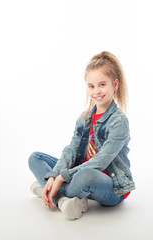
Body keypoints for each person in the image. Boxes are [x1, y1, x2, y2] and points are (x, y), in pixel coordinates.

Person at [28, 51, 135, 220]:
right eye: (91, 86)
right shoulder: (84, 118)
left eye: (102, 85)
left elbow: (100, 161)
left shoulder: (119, 122)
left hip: (111, 186)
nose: (96, 91)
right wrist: (54, 175)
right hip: (78, 177)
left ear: (115, 84)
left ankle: (46, 190)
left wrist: (63, 177)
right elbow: (70, 150)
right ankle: (64, 200)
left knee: (84, 175)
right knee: (35, 158)